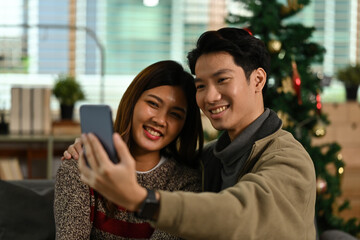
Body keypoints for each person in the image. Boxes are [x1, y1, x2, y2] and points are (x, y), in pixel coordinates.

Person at [68, 27, 316, 239]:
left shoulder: (288, 159)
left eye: (222, 80)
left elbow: (238, 213)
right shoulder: (208, 160)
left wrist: (142, 200)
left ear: (258, 80)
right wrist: (90, 146)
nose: (210, 97)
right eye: (201, 86)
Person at [54, 60, 204, 239]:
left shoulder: (187, 184)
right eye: (153, 104)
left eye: (175, 114)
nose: (160, 120)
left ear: (183, 125)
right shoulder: (81, 167)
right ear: (132, 101)